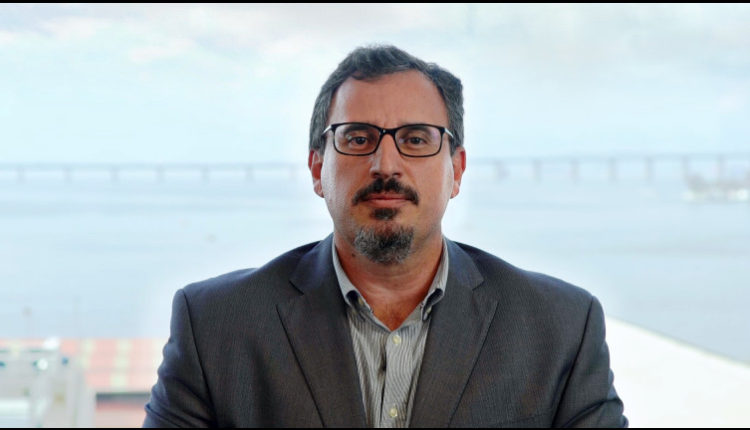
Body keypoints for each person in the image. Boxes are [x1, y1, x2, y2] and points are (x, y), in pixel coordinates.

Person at [143, 45, 627, 428]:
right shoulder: (215, 326)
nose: (386, 165)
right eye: (358, 138)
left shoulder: (560, 327)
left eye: (416, 139)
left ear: (456, 171)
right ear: (317, 168)